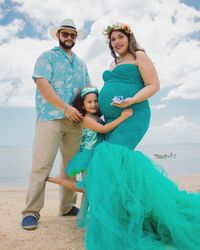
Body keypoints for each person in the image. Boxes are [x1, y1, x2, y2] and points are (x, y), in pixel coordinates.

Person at [53, 23, 200, 250]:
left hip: (133, 116)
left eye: (120, 37)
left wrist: (130, 101)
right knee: (115, 166)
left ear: (129, 38)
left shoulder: (139, 55)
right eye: (112, 40)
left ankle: (126, 216)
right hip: (112, 121)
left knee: (110, 157)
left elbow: (154, 85)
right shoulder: (114, 63)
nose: (116, 42)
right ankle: (126, 213)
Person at [21, 19, 91, 230]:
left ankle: (67, 206)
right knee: (41, 165)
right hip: (50, 118)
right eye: (65, 34)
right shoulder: (46, 57)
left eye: (72, 35)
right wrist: (65, 108)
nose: (69, 37)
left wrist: (88, 115)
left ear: (76, 38)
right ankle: (30, 212)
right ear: (58, 35)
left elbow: (87, 90)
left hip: (75, 121)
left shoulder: (81, 64)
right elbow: (42, 85)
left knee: (71, 167)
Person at [47, 86, 133, 191]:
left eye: (96, 101)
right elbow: (103, 129)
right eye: (89, 102)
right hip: (89, 155)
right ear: (83, 105)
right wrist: (123, 117)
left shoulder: (97, 118)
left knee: (92, 188)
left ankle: (83, 208)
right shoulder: (87, 119)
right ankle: (59, 180)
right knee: (88, 187)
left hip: (98, 154)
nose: (93, 104)